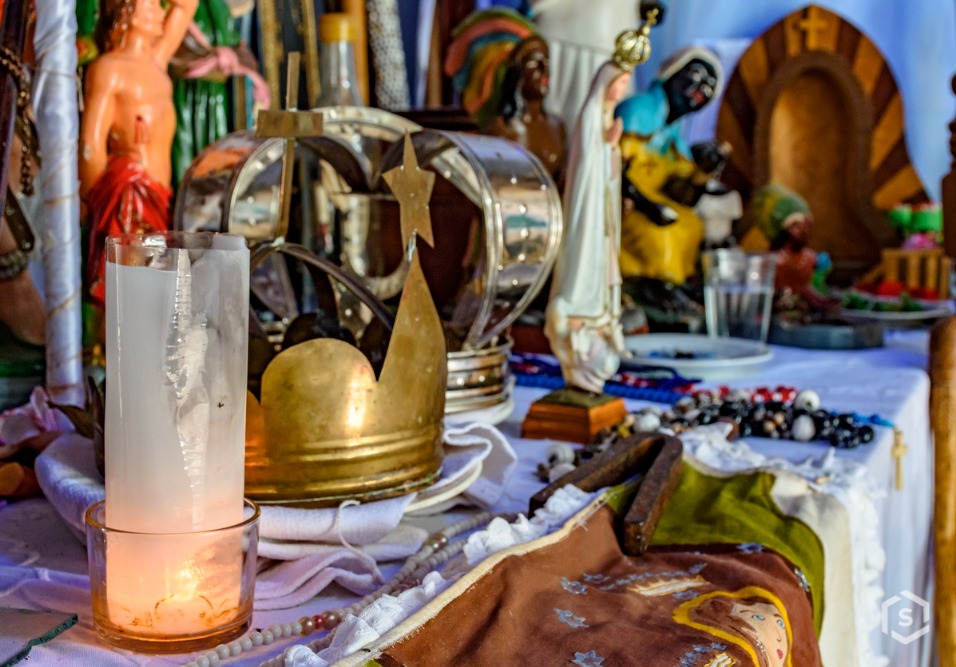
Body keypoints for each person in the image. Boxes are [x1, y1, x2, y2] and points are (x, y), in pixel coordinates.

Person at [79, 0, 197, 303]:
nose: (161, 13)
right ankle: (108, 346)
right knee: (127, 286)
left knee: (157, 285)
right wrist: (95, 200)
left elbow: (184, 8)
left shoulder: (156, 62)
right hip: (125, 198)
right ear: (129, 12)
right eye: (154, 6)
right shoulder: (108, 69)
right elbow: (91, 142)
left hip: (160, 196)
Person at [544, 56, 634, 394]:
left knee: (602, 257)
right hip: (587, 210)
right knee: (584, 258)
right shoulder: (588, 117)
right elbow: (584, 168)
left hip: (602, 214)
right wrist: (603, 146)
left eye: (626, 84)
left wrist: (612, 148)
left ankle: (596, 321)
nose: (621, 90)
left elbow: (607, 168)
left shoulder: (608, 117)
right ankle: (577, 316)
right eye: (619, 83)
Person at [614, 46, 726, 286]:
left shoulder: (674, 134)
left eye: (708, 89)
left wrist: (704, 171)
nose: (699, 91)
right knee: (661, 234)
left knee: (692, 226)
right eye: (695, 77)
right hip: (626, 204)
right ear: (672, 72)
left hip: (653, 201)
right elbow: (614, 170)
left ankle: (675, 286)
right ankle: (652, 285)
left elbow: (680, 191)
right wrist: (649, 207)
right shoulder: (638, 111)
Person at [486, 36, 567, 186]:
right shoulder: (501, 128)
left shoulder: (558, 126)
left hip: (550, 206)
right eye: (534, 63)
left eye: (547, 62)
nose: (545, 69)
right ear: (518, 73)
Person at [750, 181, 837, 312]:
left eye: (807, 225)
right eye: (797, 226)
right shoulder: (772, 261)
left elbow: (808, 290)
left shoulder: (811, 258)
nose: (804, 231)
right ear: (783, 229)